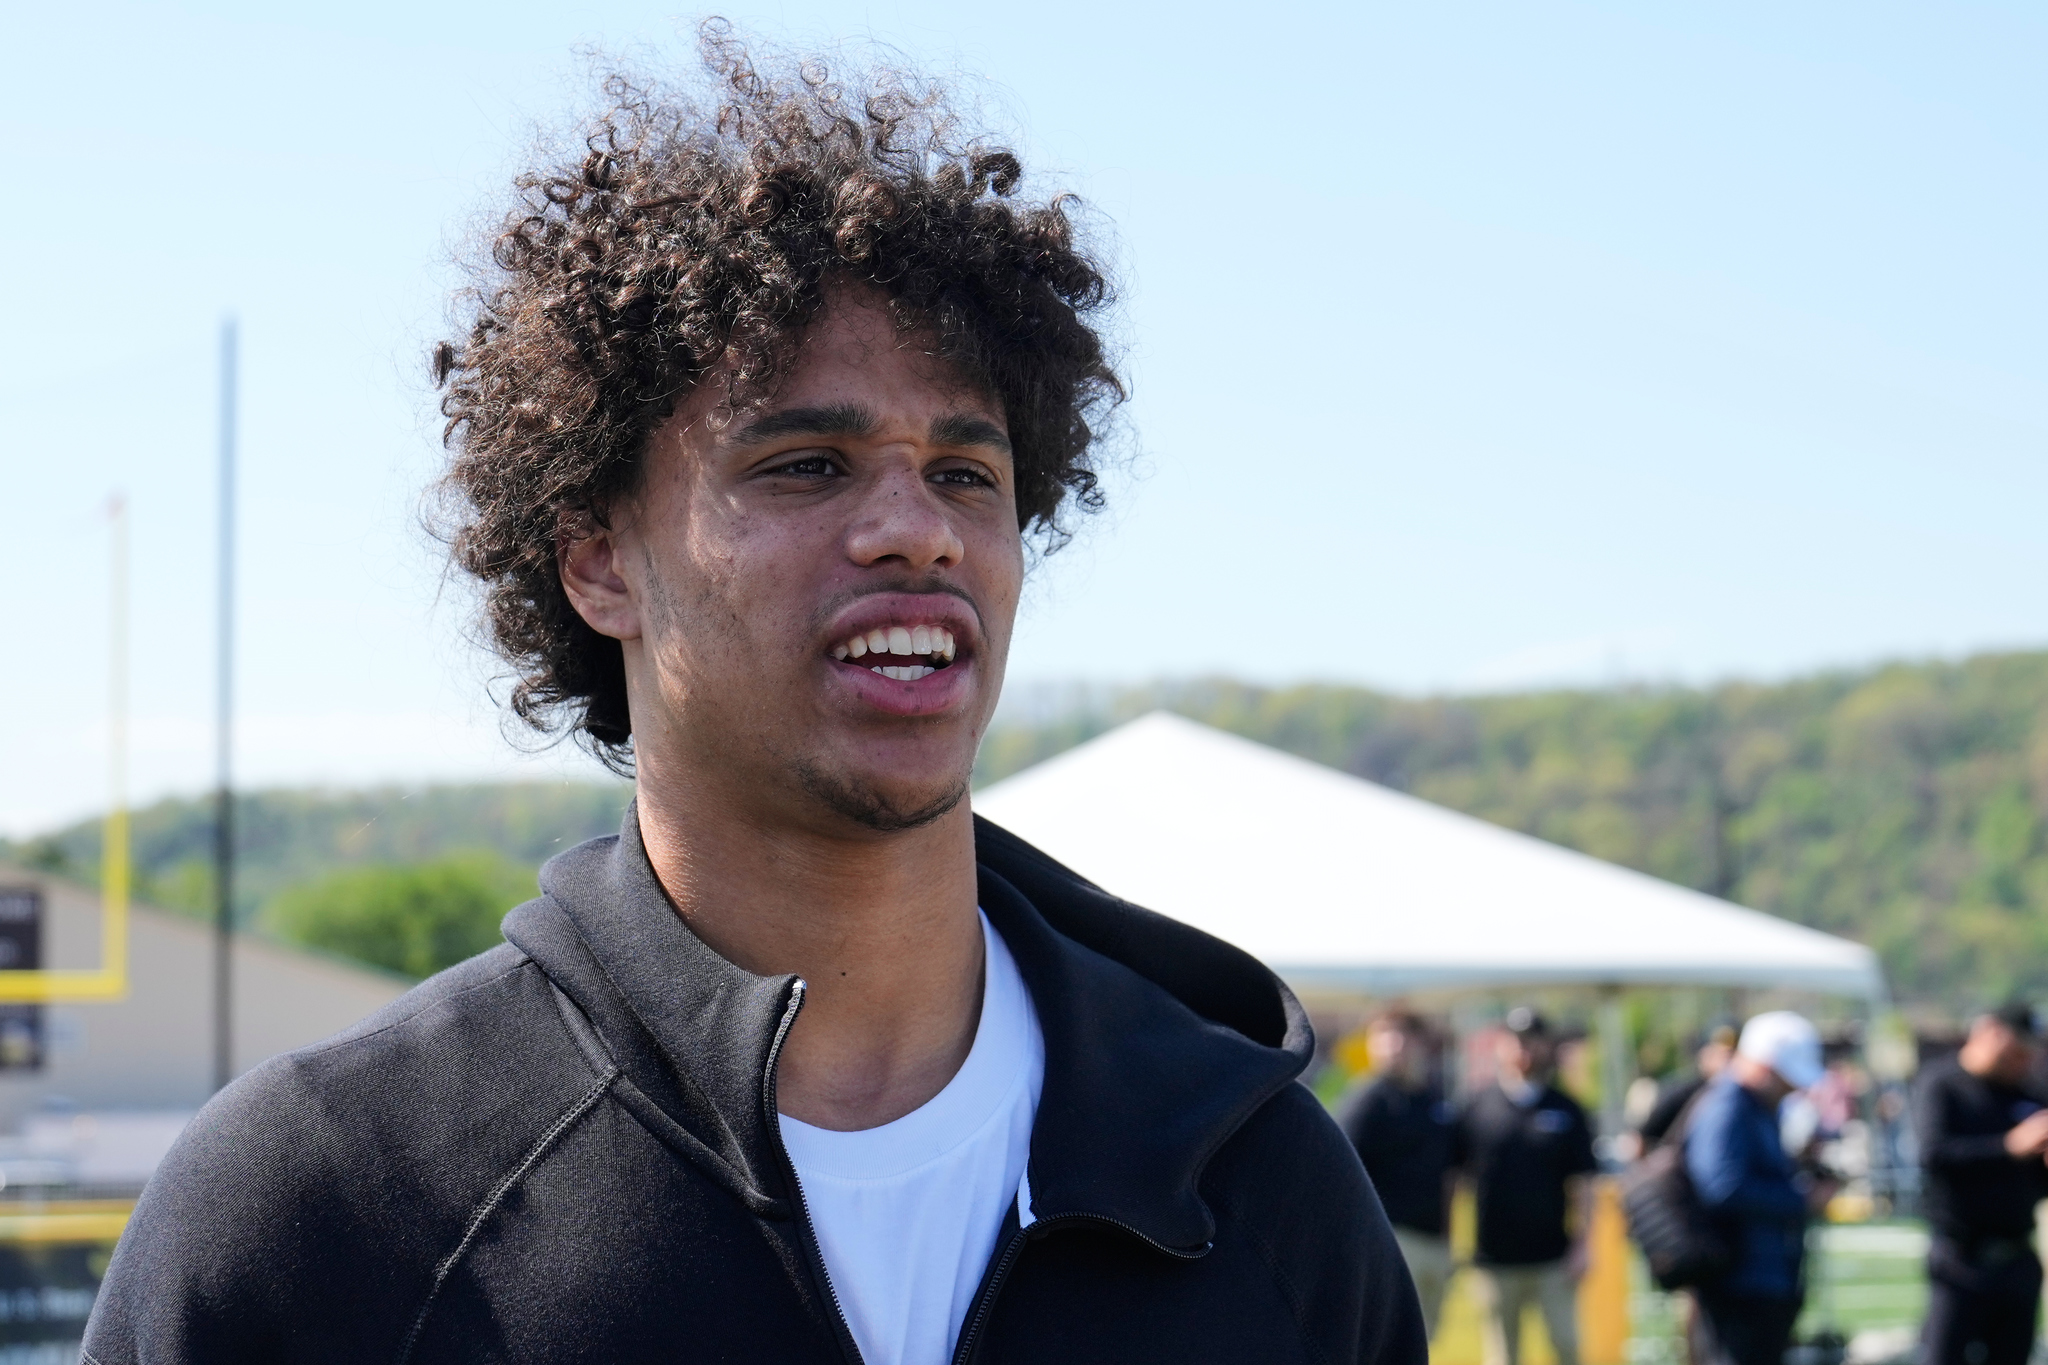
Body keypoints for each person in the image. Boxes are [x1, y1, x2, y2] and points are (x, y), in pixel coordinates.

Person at [79, 30, 1427, 1365]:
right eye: (806, 465)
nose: (917, 529)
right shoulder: (323, 1214)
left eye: (966, 475)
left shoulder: (1262, 1191)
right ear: (598, 560)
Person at [1685, 1010, 1835, 1365]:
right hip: (1738, 1280)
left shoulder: (1755, 1106)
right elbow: (1722, 1186)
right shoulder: (1728, 1106)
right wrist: (1802, 1199)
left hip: (1761, 1278)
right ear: (1764, 1065)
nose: (1793, 1087)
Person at [1457, 1008, 1599, 1365]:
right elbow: (1454, 1179)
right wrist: (1452, 1241)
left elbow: (1584, 1181)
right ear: (1500, 1046)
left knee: (1567, 1345)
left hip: (1553, 1257)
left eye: (1532, 1041)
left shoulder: (1567, 1109)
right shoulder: (1477, 1106)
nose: (1523, 1049)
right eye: (1516, 1040)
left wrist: (1584, 1244)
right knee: (1502, 1354)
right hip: (1495, 1257)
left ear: (1546, 1046)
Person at [1913, 1002, 2048, 1365]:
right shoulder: (1943, 1084)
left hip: (2017, 1258)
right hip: (1961, 1258)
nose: (2023, 1062)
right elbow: (1935, 1156)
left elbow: (2036, 1182)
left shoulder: (2028, 1093)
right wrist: (2009, 1147)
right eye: (2017, 1051)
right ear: (1990, 1033)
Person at [1339, 1011, 1458, 1338]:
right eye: (1384, 1037)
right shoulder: (1366, 1101)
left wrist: (1449, 1238)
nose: (1394, 1046)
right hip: (1392, 1239)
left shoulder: (1433, 1098)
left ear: (1421, 1044)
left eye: (1403, 1036)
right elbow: (1341, 1176)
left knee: (1427, 1339)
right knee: (1396, 1341)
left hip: (1435, 1239)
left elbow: (1449, 1174)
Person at [1638, 1025, 1738, 1150]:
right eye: (1721, 1055)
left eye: (1731, 1055)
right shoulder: (1682, 1093)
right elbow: (1640, 1138)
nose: (1727, 1062)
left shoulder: (1740, 1095)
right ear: (1703, 1055)